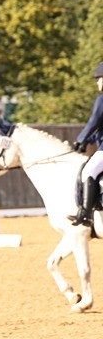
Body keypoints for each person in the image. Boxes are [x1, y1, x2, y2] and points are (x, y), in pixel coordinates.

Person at [69, 62, 103, 226]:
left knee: (88, 171)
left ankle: (85, 214)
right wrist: (88, 140)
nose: (98, 82)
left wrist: (81, 139)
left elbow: (93, 122)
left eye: (99, 79)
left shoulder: (102, 99)